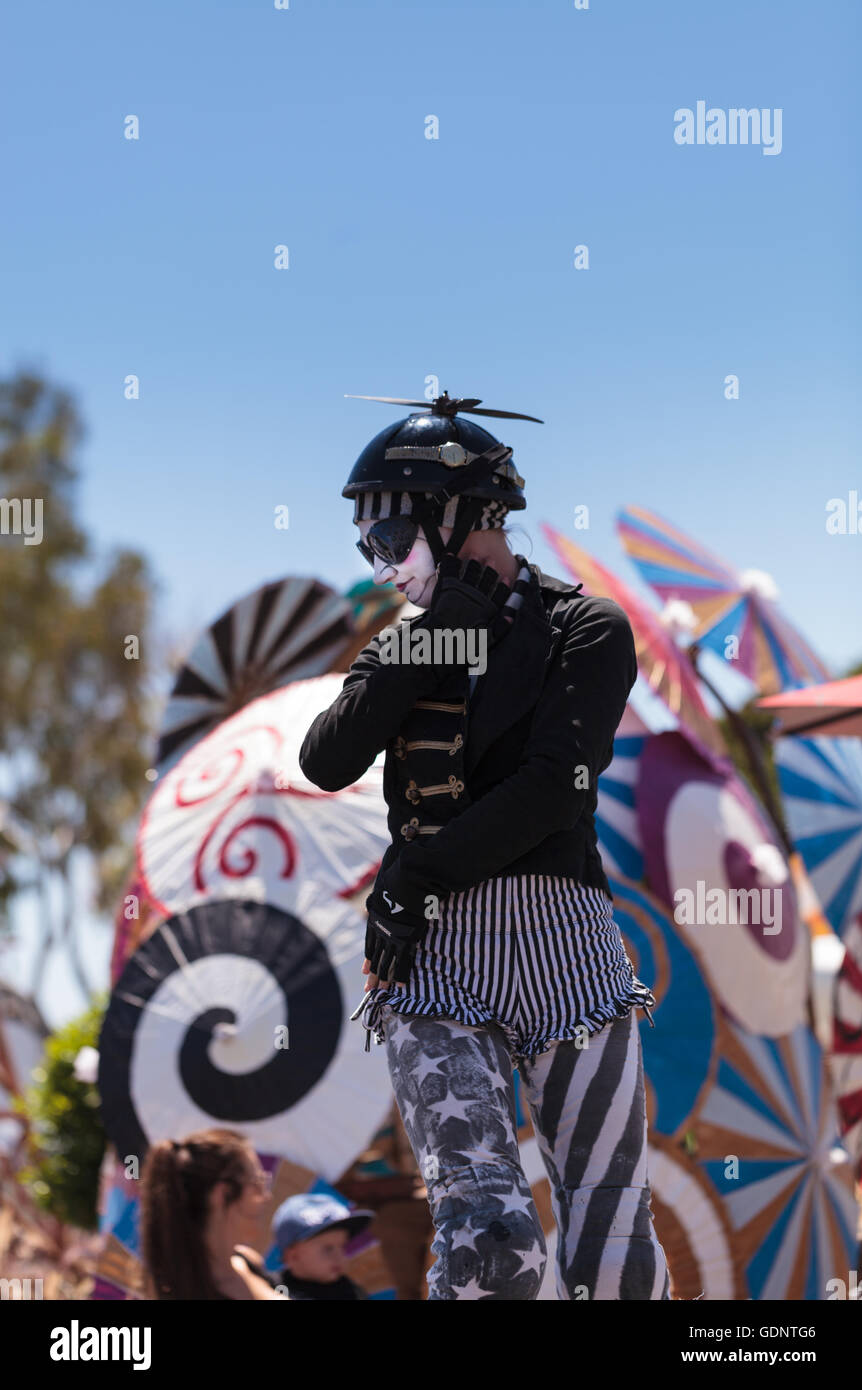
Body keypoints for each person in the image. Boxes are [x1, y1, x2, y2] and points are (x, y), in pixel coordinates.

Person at [299, 392, 672, 1301]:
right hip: (435, 958)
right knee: (489, 1230)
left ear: (460, 516)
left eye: (390, 539)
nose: (383, 565)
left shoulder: (587, 627)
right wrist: (437, 637)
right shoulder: (404, 642)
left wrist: (416, 870)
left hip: (566, 949)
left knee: (612, 1223)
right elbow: (326, 758)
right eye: (370, 547)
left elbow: (555, 785)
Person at [139, 1127, 288, 1300]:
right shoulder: (194, 1290)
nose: (266, 1197)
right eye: (258, 1183)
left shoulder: (245, 1260)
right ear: (222, 1194)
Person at [271, 1193, 373, 1301]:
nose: (340, 1257)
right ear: (293, 1256)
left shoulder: (352, 1293)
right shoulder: (273, 1288)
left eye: (342, 1246)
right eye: (328, 1248)